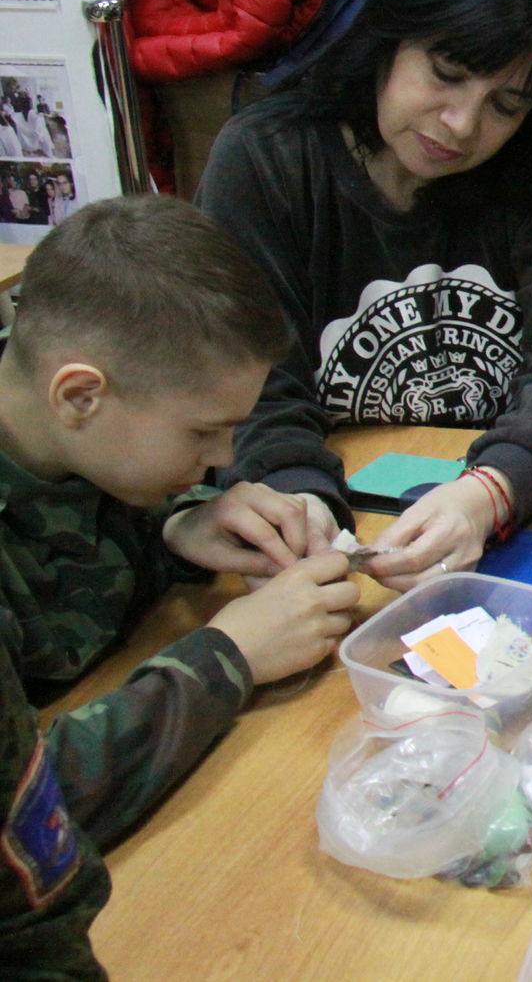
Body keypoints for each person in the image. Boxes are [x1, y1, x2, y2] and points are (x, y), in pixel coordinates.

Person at [196, 0, 532, 590]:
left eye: (506, 105)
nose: (461, 124)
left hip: (497, 523)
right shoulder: (266, 160)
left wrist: (489, 494)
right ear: (389, 33)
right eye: (446, 74)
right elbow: (251, 394)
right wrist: (297, 506)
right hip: (326, 523)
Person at [0, 195, 360, 980]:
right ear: (79, 394)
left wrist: (181, 523)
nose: (228, 457)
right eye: (203, 432)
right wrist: (230, 653)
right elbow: (27, 807)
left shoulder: (70, 427)